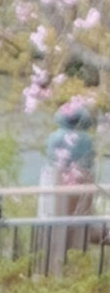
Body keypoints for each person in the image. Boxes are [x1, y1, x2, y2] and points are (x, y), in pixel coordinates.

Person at [38, 96, 98, 272]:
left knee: (58, 230)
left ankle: (56, 268)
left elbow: (52, 159)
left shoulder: (54, 137)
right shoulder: (87, 140)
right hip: (81, 183)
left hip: (58, 186)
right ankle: (75, 267)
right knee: (76, 228)